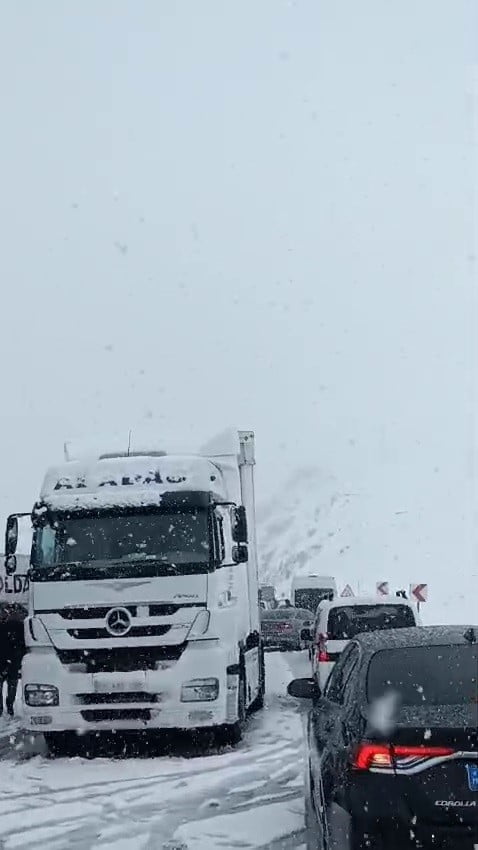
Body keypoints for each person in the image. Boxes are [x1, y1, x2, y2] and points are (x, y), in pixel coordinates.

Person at [0, 605, 26, 717]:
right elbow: (23, 645)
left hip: (4, 659)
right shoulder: (21, 626)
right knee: (12, 684)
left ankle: (2, 707)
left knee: (6, 684)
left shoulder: (3, 626)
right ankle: (9, 704)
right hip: (13, 660)